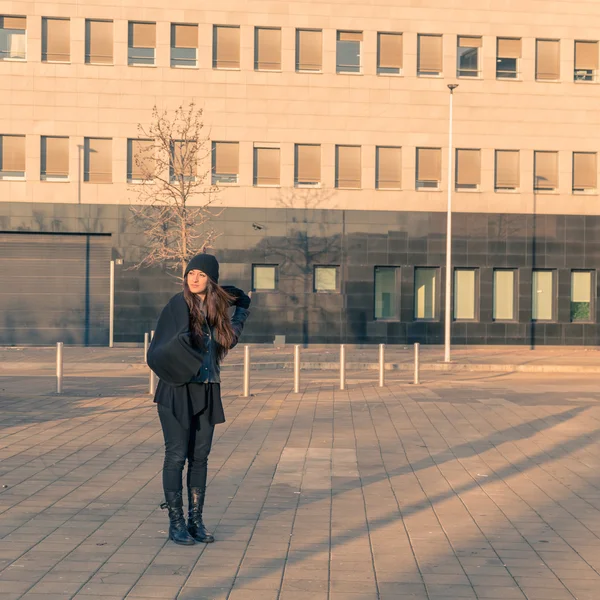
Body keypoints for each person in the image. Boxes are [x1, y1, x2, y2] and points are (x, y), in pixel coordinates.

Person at [147, 253, 251, 545]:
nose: (193, 278)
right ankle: (176, 523)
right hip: (176, 390)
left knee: (200, 458)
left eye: (201, 274)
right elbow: (162, 346)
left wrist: (241, 311)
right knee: (176, 455)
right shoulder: (177, 306)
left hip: (207, 389)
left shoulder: (216, 310)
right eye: (191, 273)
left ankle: (196, 521)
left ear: (211, 279)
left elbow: (227, 342)